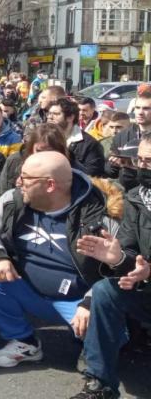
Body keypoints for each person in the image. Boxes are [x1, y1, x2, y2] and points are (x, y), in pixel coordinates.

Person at [0, 151, 116, 368]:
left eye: (26, 177)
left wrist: (92, 302)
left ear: (50, 185)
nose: (19, 181)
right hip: (29, 290)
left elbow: (118, 269)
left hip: (79, 301)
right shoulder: (13, 200)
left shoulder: (98, 214)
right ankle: (24, 341)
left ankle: (90, 343)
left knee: (112, 334)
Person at [71, 135, 151, 399]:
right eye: (139, 160)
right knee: (105, 292)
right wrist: (118, 259)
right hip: (145, 287)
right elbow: (129, 251)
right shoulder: (137, 198)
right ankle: (100, 383)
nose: (141, 167)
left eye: (149, 161)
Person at [48, 97, 105, 177]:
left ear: (70, 117)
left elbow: (93, 177)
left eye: (56, 114)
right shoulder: (43, 138)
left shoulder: (90, 144)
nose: (50, 117)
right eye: (49, 113)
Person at [106, 92, 151, 191]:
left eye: (146, 108)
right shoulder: (121, 136)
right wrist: (114, 164)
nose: (140, 112)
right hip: (128, 193)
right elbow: (111, 172)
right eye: (137, 108)